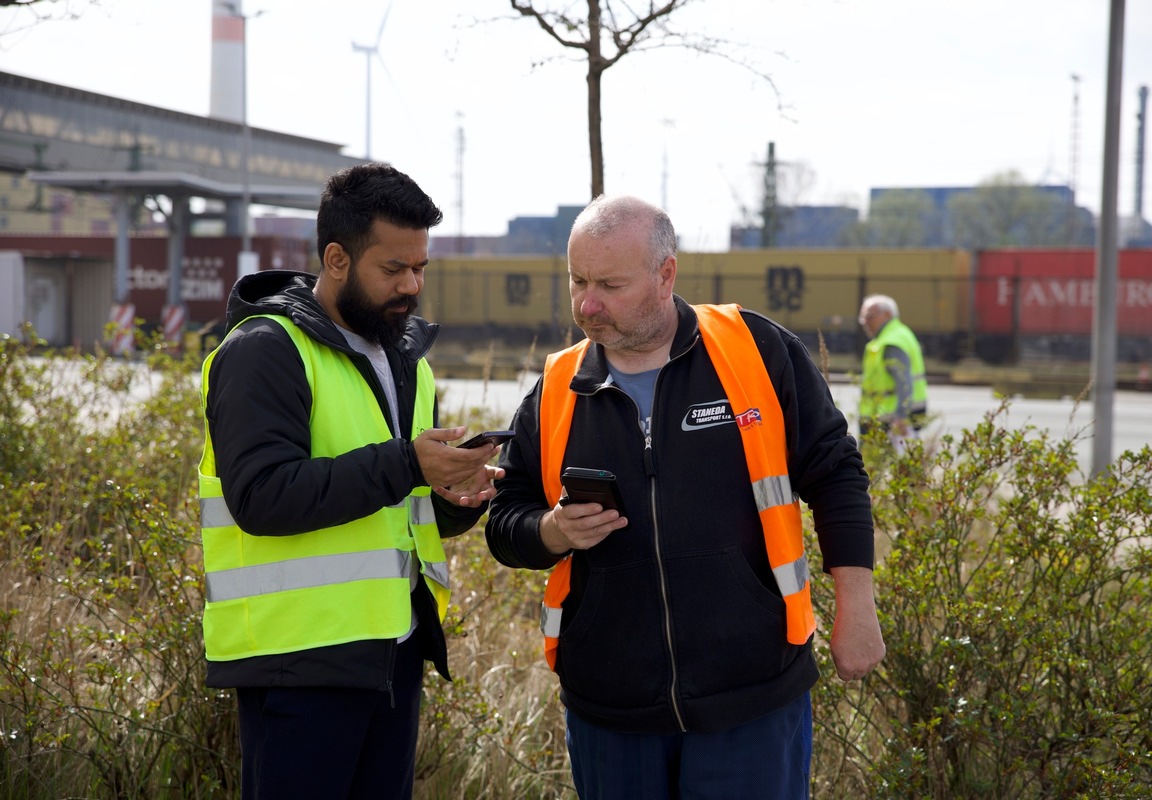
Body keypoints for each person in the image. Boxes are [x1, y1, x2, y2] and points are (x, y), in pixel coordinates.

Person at [485, 195, 885, 798]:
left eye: (610, 285)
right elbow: (505, 518)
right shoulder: (558, 388)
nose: (587, 305)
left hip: (752, 701)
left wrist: (857, 608)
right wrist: (552, 532)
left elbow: (836, 474)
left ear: (666, 274)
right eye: (577, 282)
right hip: (611, 714)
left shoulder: (755, 352)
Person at [198, 162, 503, 799]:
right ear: (336, 258)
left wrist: (457, 495)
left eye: (420, 268)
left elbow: (403, 505)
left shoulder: (406, 359)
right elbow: (260, 497)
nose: (412, 286)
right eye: (394, 269)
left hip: (390, 653)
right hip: (297, 663)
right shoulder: (264, 349)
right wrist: (410, 465)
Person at [857, 294, 927, 441]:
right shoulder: (897, 335)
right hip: (884, 416)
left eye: (869, 316)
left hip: (889, 418)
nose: (864, 322)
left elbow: (904, 382)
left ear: (887, 315)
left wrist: (901, 416)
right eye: (862, 317)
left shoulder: (891, 342)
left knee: (878, 462)